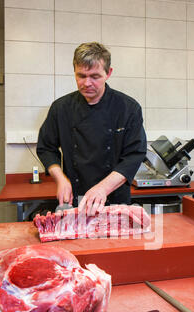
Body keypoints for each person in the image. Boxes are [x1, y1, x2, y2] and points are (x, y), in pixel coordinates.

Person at [36, 42, 147, 215]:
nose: (87, 83)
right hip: (73, 198)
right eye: (81, 75)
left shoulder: (128, 108)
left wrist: (103, 188)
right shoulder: (61, 108)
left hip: (114, 198)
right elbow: (46, 148)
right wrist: (61, 179)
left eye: (95, 76)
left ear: (108, 73)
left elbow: (134, 155)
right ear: (74, 71)